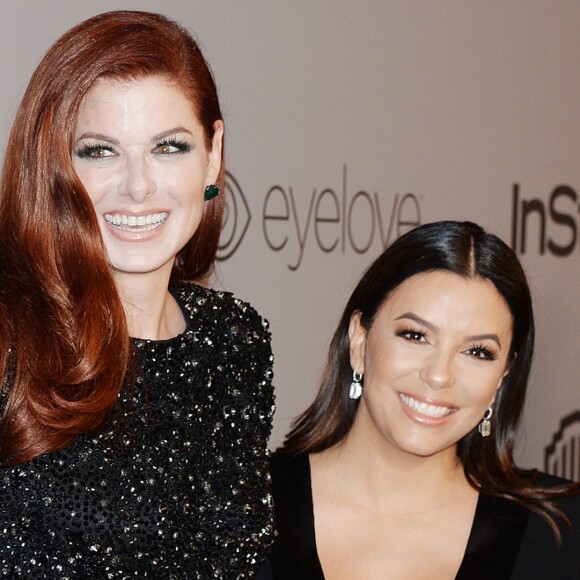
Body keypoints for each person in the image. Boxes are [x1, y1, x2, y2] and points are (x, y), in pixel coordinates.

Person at [0, 10, 274, 578]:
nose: (138, 186)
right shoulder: (10, 338)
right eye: (99, 151)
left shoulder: (236, 340)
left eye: (168, 147)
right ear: (52, 165)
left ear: (213, 153)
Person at [262, 221, 580, 579]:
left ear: (503, 375)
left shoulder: (560, 532)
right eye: (415, 335)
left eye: (477, 352)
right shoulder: (238, 507)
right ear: (359, 341)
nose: (439, 375)